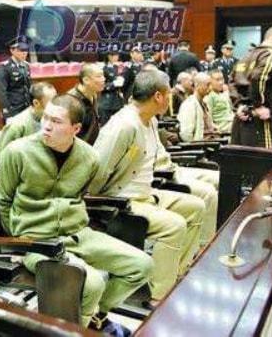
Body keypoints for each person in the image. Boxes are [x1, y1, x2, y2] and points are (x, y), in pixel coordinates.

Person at [0, 95, 152, 332]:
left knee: (142, 265)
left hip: (79, 233)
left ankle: (94, 316)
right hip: (38, 241)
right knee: (93, 283)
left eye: (56, 121)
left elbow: (79, 196)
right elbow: (4, 201)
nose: (47, 126)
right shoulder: (17, 152)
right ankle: (80, 329)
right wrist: (19, 240)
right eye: (45, 118)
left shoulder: (89, 157)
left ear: (76, 128)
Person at [89, 70, 210, 307]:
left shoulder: (151, 120)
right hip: (121, 199)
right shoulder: (124, 125)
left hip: (146, 194)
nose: (170, 99)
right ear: (158, 96)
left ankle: (176, 274)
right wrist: (101, 204)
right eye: (169, 94)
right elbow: (97, 175)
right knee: (174, 225)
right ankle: (159, 295)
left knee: (196, 206)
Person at [230, 24, 272, 148]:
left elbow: (231, 82)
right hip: (259, 118)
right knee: (263, 156)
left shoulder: (245, 56)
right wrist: (259, 105)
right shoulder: (270, 54)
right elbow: (259, 78)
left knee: (240, 157)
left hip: (241, 115)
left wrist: (239, 105)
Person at [0, 81, 56, 162]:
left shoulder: (53, 119)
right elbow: (0, 155)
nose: (56, 106)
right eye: (51, 102)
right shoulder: (17, 125)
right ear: (36, 103)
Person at [0, 36, 33, 121]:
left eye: (26, 50)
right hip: (13, 109)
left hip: (26, 107)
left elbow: (27, 87)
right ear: (12, 50)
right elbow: (1, 92)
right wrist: (8, 110)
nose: (24, 53)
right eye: (21, 50)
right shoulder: (4, 68)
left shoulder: (26, 66)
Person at [67, 63, 105, 144]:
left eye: (103, 76)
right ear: (86, 80)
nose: (104, 79)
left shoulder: (94, 93)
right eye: (99, 76)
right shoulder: (72, 100)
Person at [178, 72, 218, 142]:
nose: (210, 88)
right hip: (199, 146)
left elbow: (209, 126)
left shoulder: (204, 103)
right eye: (207, 85)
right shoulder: (189, 105)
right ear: (197, 85)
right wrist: (197, 144)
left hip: (211, 142)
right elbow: (186, 134)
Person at [98, 50, 125, 125]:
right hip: (107, 103)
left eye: (117, 55)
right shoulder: (103, 69)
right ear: (109, 56)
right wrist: (113, 84)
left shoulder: (118, 68)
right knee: (105, 126)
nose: (117, 57)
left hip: (118, 102)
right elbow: (100, 86)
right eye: (114, 55)